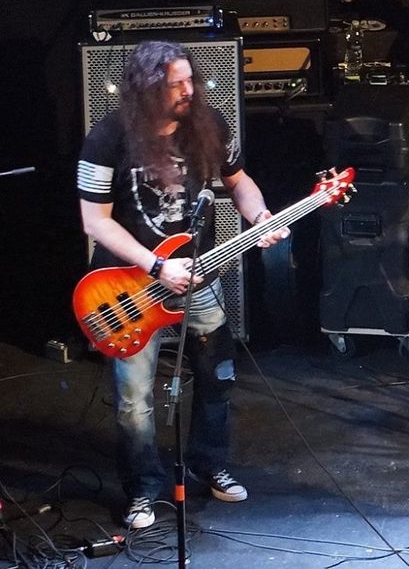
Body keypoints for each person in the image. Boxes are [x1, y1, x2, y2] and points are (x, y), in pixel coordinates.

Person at [77, 40, 288, 531]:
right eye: (176, 84)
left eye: (190, 80)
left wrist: (259, 215)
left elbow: (239, 181)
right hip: (129, 286)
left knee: (218, 376)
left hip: (199, 277)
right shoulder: (108, 138)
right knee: (135, 401)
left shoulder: (208, 125)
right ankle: (142, 489)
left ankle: (209, 464)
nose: (188, 90)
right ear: (147, 88)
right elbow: (95, 221)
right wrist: (156, 266)